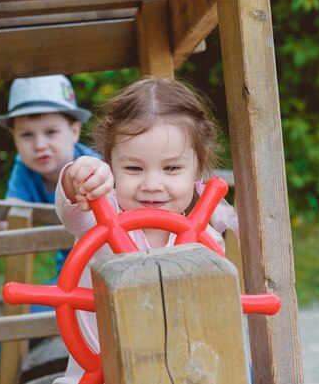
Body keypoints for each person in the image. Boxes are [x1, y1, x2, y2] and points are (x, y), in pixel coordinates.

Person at [53, 76, 231, 383]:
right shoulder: (97, 212)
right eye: (134, 168)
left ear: (198, 170)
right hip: (97, 374)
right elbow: (69, 203)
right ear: (109, 165)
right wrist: (78, 176)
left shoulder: (207, 244)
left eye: (172, 168)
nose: (151, 184)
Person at [0, 74, 101, 278]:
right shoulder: (25, 170)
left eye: (51, 132)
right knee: (42, 308)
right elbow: (14, 224)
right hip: (70, 269)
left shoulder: (94, 166)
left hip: (109, 262)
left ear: (74, 132)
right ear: (14, 137)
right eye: (27, 135)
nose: (39, 145)